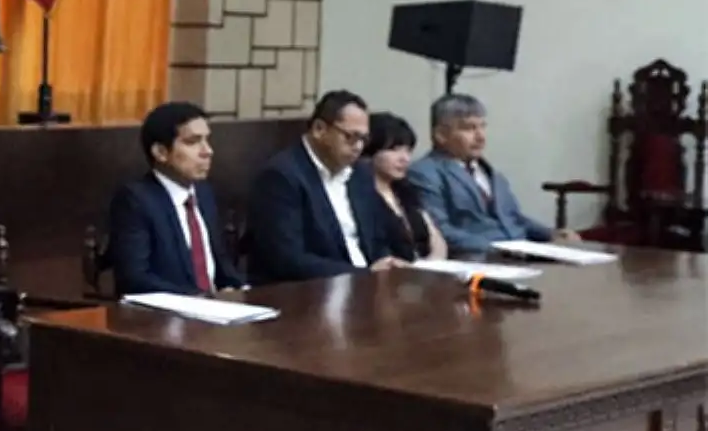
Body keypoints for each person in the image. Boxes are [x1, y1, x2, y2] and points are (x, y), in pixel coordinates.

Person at [247, 89, 405, 284]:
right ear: (319, 129)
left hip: (365, 285)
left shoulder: (360, 173)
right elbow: (287, 259)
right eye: (350, 137)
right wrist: (363, 274)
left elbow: (377, 239)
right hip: (308, 290)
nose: (358, 147)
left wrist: (386, 263)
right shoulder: (281, 176)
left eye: (364, 139)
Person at [407, 93, 580, 255]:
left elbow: (512, 217)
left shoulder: (490, 173)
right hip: (478, 258)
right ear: (441, 135)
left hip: (519, 255)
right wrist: (498, 249)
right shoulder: (424, 173)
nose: (480, 136)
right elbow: (439, 230)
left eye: (482, 126)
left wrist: (550, 234)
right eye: (469, 128)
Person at [105, 101, 246, 297]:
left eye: (207, 140)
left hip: (214, 308)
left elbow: (219, 261)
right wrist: (199, 300)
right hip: (164, 312)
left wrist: (237, 287)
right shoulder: (135, 200)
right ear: (161, 152)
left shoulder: (204, 193)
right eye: (193, 142)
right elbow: (134, 278)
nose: (207, 151)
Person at [363, 112, 448, 263]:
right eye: (394, 149)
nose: (404, 158)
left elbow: (437, 240)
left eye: (408, 150)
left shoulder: (406, 191)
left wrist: (432, 263)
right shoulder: (361, 195)